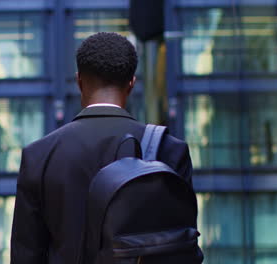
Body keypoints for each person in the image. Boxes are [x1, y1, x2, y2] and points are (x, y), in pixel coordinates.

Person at [10, 32, 193, 264]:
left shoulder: (39, 155)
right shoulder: (170, 149)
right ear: (131, 84)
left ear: (79, 82)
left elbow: (26, 255)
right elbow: (181, 248)